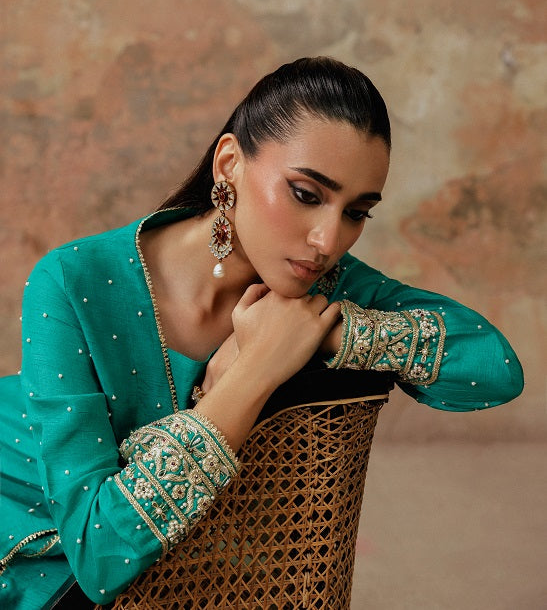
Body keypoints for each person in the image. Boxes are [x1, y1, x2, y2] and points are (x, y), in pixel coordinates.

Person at [0, 57, 523, 608]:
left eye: (357, 212)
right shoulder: (72, 281)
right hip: (26, 511)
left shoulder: (327, 290)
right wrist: (252, 371)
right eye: (306, 194)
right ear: (230, 164)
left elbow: (496, 368)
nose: (327, 240)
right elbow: (100, 554)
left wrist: (329, 332)